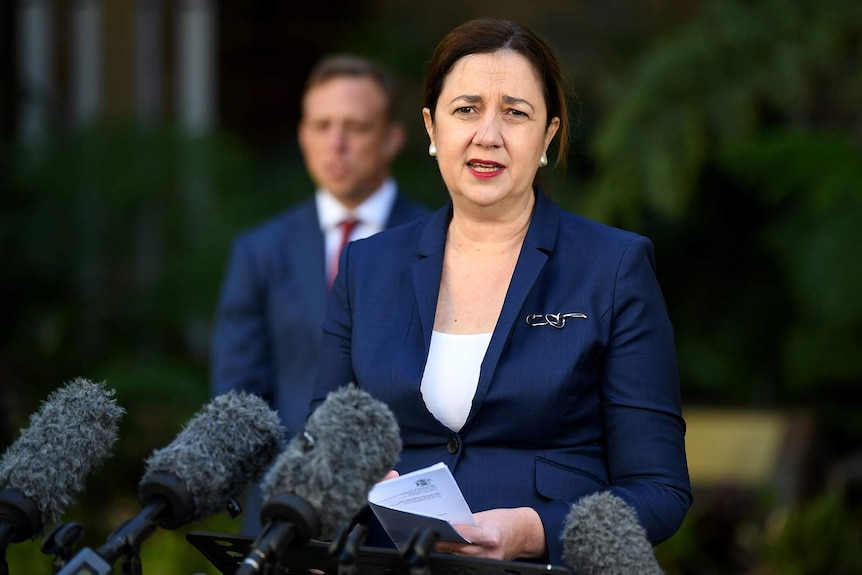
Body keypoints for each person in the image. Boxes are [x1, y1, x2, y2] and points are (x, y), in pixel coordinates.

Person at [311, 18, 692, 566]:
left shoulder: (612, 267)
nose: (487, 134)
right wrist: (349, 480)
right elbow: (321, 447)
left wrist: (533, 530)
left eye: (515, 112)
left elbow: (660, 491)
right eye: (466, 109)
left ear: (549, 135)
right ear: (431, 127)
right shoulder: (366, 266)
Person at [210, 54, 429, 533]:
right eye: (322, 124)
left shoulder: (441, 242)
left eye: (356, 126)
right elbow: (239, 396)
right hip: (286, 514)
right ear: (302, 135)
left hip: (406, 514)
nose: (337, 143)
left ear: (392, 137)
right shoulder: (260, 252)